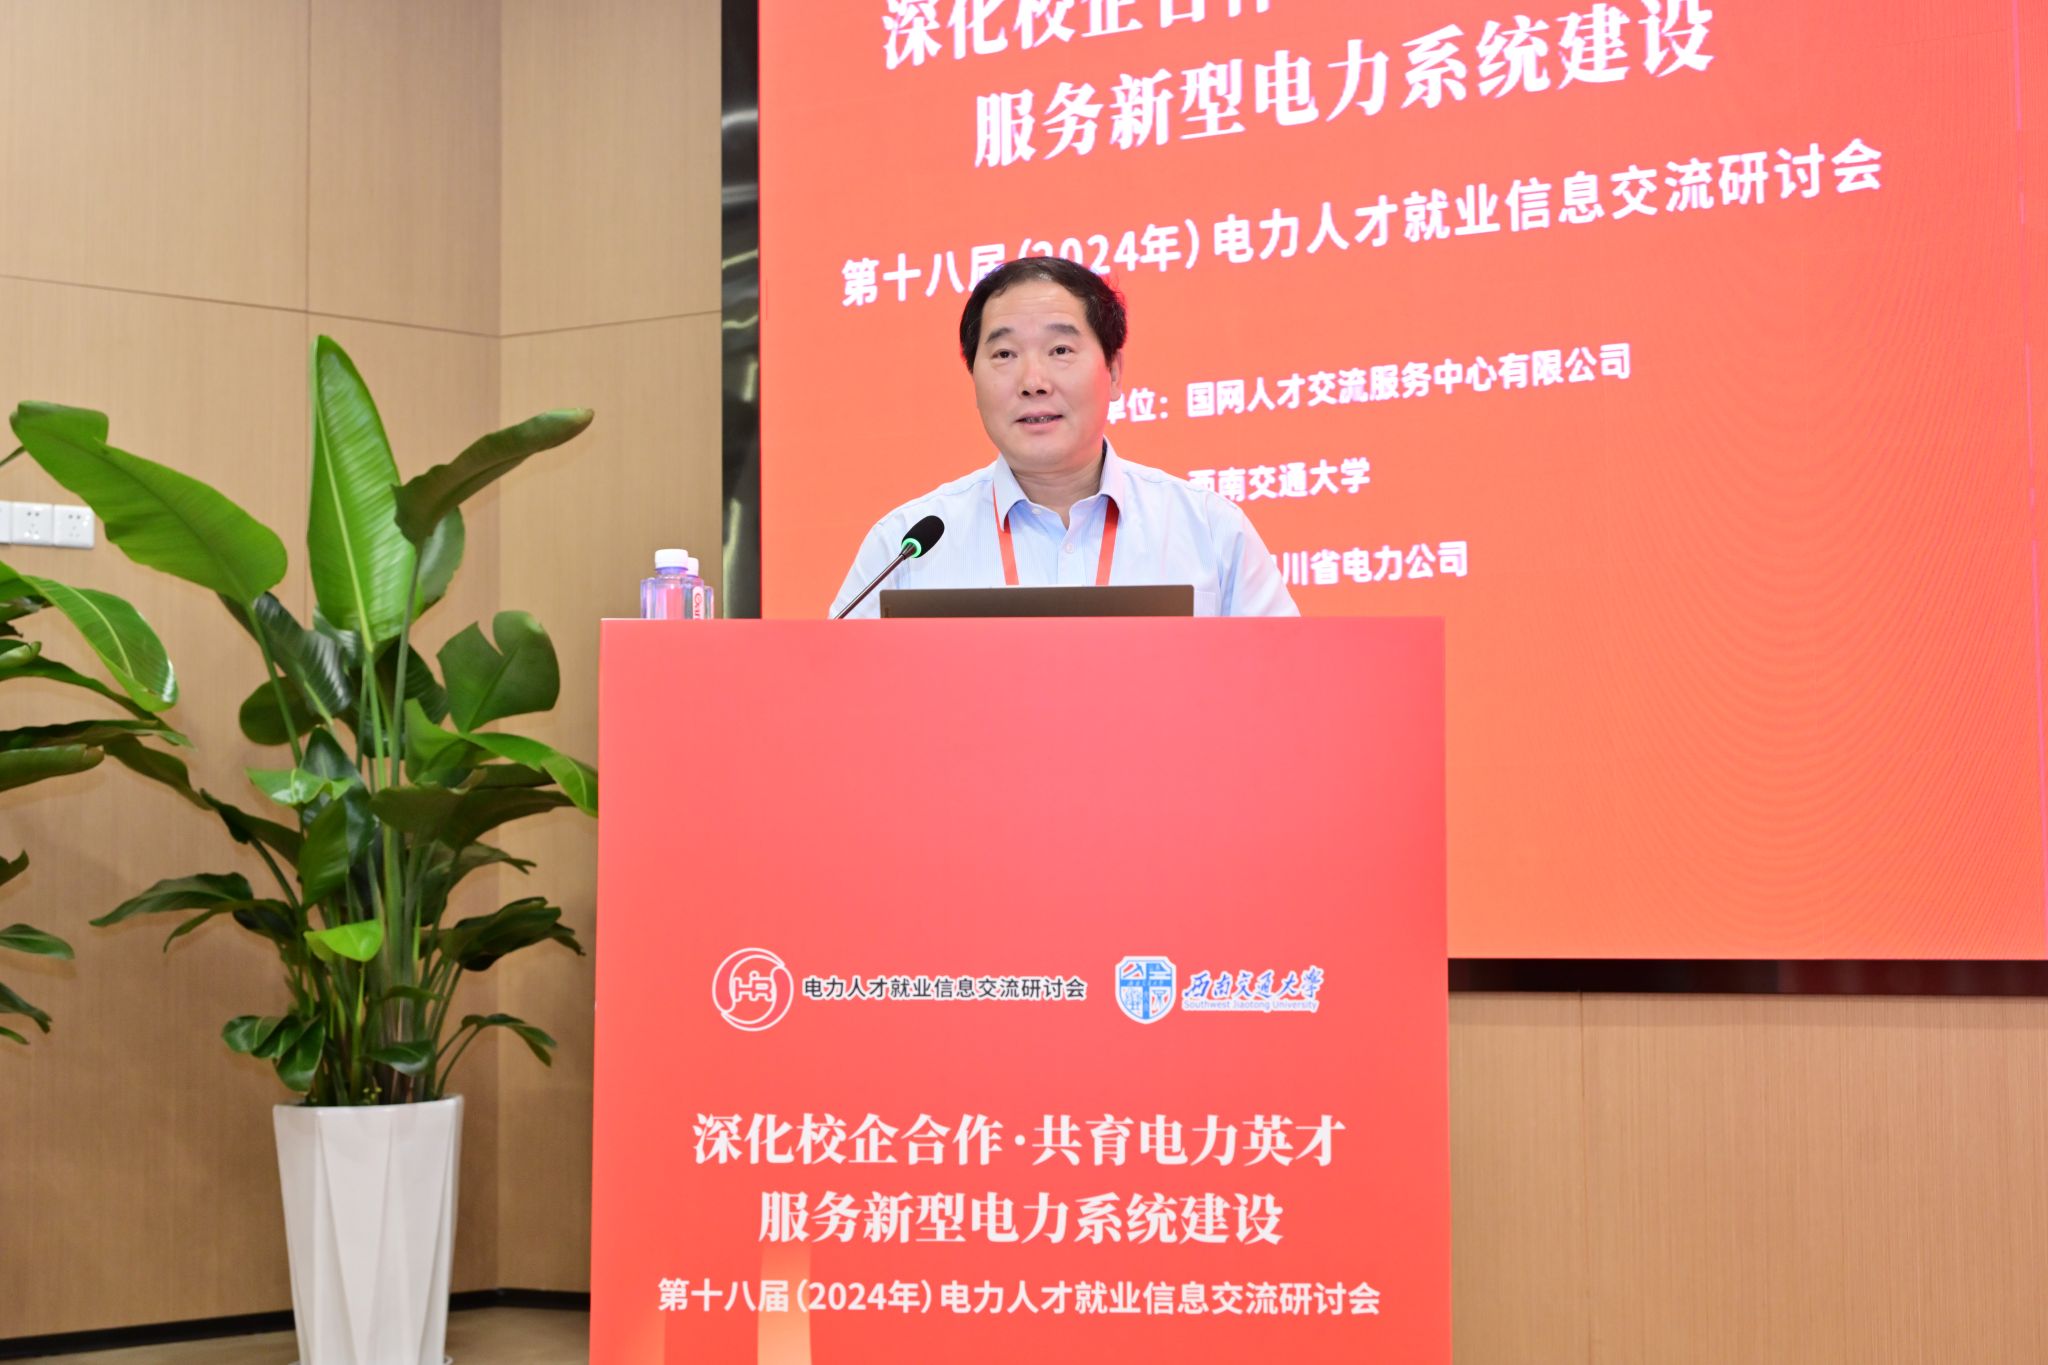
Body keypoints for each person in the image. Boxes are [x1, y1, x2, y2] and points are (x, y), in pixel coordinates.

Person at [829, 257, 1299, 618]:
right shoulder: (904, 547)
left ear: (1114, 372)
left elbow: (1282, 687)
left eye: (1060, 350)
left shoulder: (1210, 531)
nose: (1033, 381)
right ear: (974, 379)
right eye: (1004, 354)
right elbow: (837, 693)